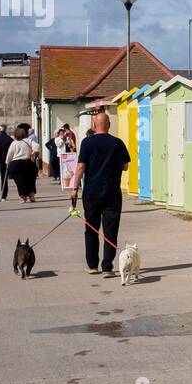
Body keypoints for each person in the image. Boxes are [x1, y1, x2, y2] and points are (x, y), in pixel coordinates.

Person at [70, 111, 129, 277]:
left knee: (91, 229)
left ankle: (92, 265)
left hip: (91, 193)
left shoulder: (87, 143)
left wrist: (74, 188)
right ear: (109, 125)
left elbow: (81, 167)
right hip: (112, 193)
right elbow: (125, 166)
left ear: (95, 125)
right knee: (110, 230)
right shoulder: (118, 143)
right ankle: (107, 267)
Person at [6, 127, 38, 203]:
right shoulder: (29, 141)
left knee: (19, 181)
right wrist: (34, 153)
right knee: (31, 179)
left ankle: (23, 196)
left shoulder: (14, 143)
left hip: (16, 164)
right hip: (28, 163)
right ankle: (31, 195)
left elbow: (10, 154)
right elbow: (37, 147)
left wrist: (7, 163)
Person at [0, 124, 13, 201]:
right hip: (6, 160)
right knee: (4, 178)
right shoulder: (9, 139)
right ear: (5, 129)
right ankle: (4, 196)